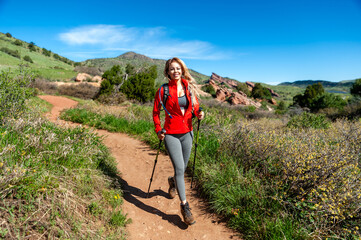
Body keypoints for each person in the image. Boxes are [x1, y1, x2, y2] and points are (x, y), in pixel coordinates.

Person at [153, 57, 204, 225]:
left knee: (182, 169)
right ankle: (185, 206)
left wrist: (200, 114)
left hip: (187, 133)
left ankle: (173, 182)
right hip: (171, 134)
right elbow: (155, 113)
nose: (175, 71)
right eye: (172, 69)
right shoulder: (163, 90)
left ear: (182, 70)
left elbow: (195, 108)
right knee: (180, 168)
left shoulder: (189, 87)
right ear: (167, 72)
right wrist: (159, 130)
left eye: (178, 68)